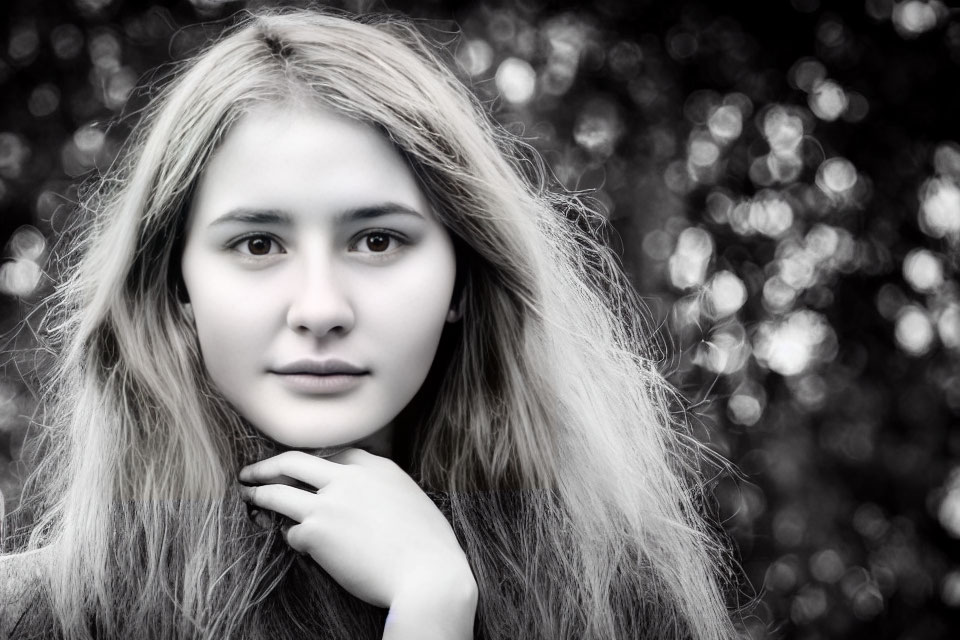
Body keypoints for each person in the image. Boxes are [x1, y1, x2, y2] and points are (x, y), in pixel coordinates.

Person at [0, 8, 737, 640]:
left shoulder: (620, 606)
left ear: (463, 277)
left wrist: (435, 598)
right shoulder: (40, 616)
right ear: (176, 288)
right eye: (258, 244)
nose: (320, 309)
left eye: (376, 241)